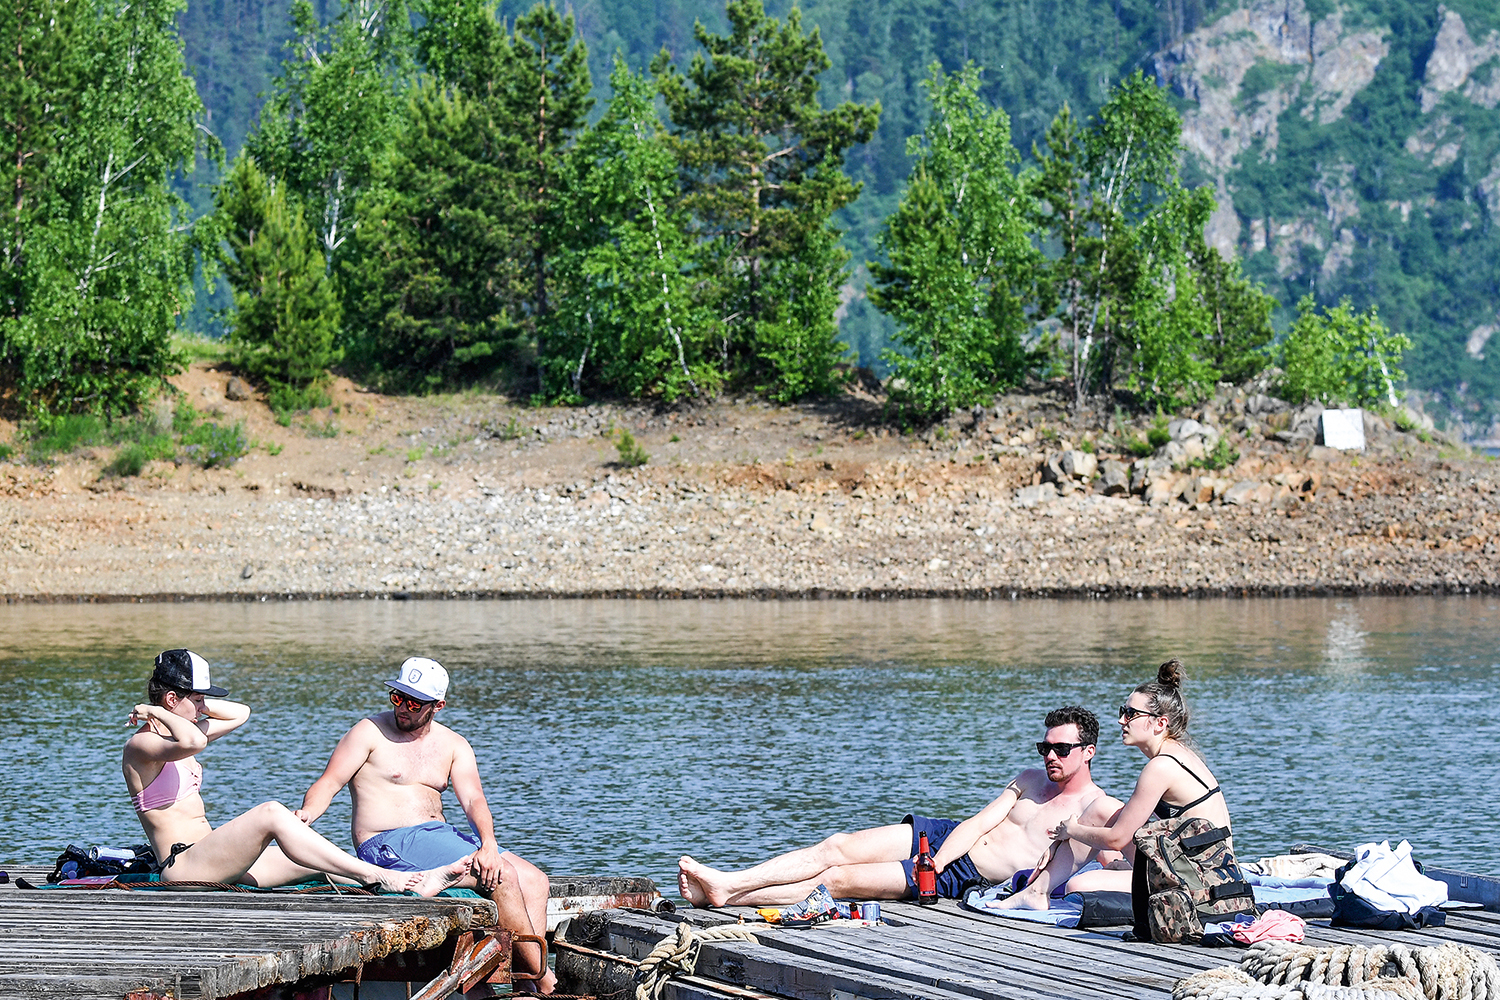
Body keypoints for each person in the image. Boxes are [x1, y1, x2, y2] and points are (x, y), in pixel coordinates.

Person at [677, 706, 1127, 909]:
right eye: (1044, 747)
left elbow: (1119, 861)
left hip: (964, 877)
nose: (1050, 756)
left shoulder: (1100, 806)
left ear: (1088, 751)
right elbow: (977, 822)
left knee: (837, 881)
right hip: (946, 844)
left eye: (1062, 749)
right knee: (839, 844)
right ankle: (729, 881)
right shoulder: (1029, 780)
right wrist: (932, 855)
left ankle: (728, 895)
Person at [297, 657, 556, 994]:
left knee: (536, 881)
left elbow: (474, 799)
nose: (403, 708)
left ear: (438, 706)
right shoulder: (369, 732)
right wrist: (305, 815)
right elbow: (327, 784)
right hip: (389, 841)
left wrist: (488, 844)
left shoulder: (453, 744)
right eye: (397, 697)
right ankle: (545, 983)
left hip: (440, 837)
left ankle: (524, 986)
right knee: (502, 876)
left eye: (414, 702)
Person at [122, 649, 468, 895]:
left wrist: (182, 707)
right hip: (183, 867)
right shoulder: (143, 746)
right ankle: (381, 875)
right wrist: (154, 711)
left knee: (320, 861)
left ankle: (408, 880)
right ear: (171, 700)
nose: (203, 708)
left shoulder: (179, 732)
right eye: (197, 699)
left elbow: (241, 712)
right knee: (271, 812)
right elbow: (194, 742)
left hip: (216, 858)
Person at [1045, 659, 1232, 931]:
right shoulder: (1180, 755)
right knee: (1104, 813)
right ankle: (1037, 891)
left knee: (1079, 884)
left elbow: (1118, 837)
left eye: (1131, 714)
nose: (1122, 720)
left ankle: (1037, 891)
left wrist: (1072, 829)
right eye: (1124, 711)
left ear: (1160, 723)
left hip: (1200, 885)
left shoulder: (1160, 767)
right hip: (1210, 870)